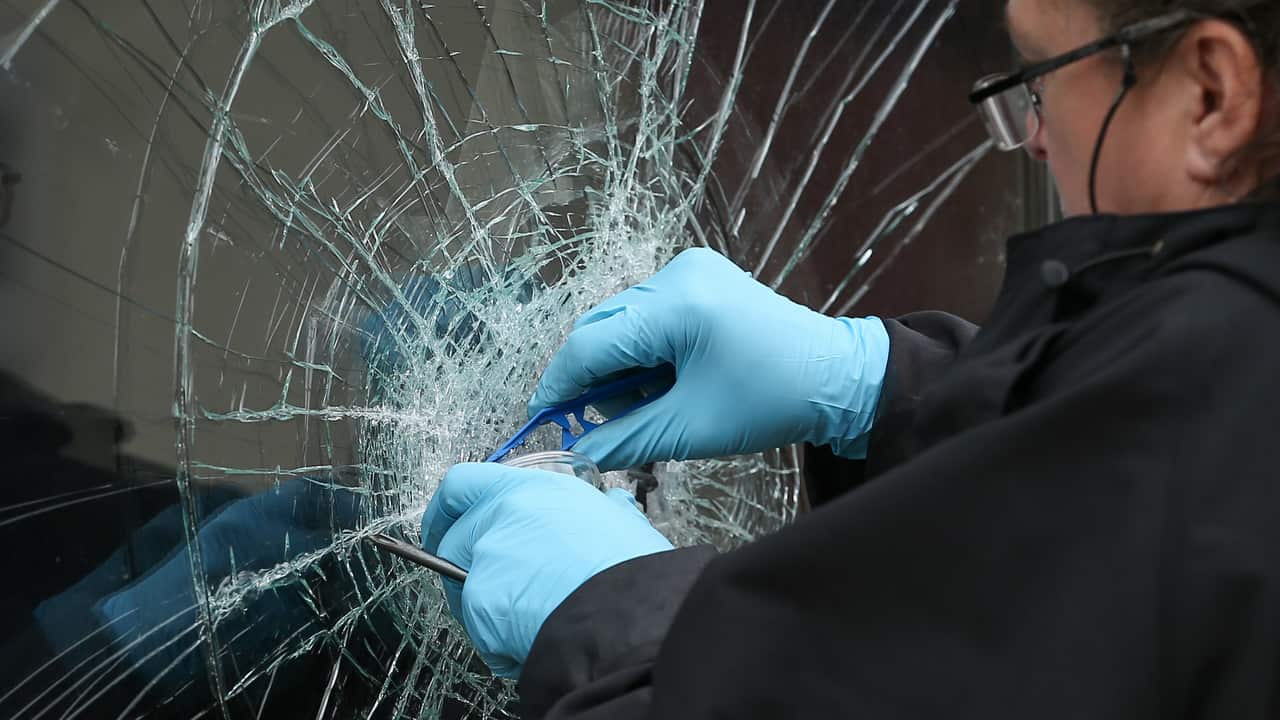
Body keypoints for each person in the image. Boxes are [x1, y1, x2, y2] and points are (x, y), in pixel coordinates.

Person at [421, 0, 1280, 717]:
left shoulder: (1210, 427)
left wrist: (619, 625)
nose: (1034, 138)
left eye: (1042, 81)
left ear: (1210, 92)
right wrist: (880, 382)